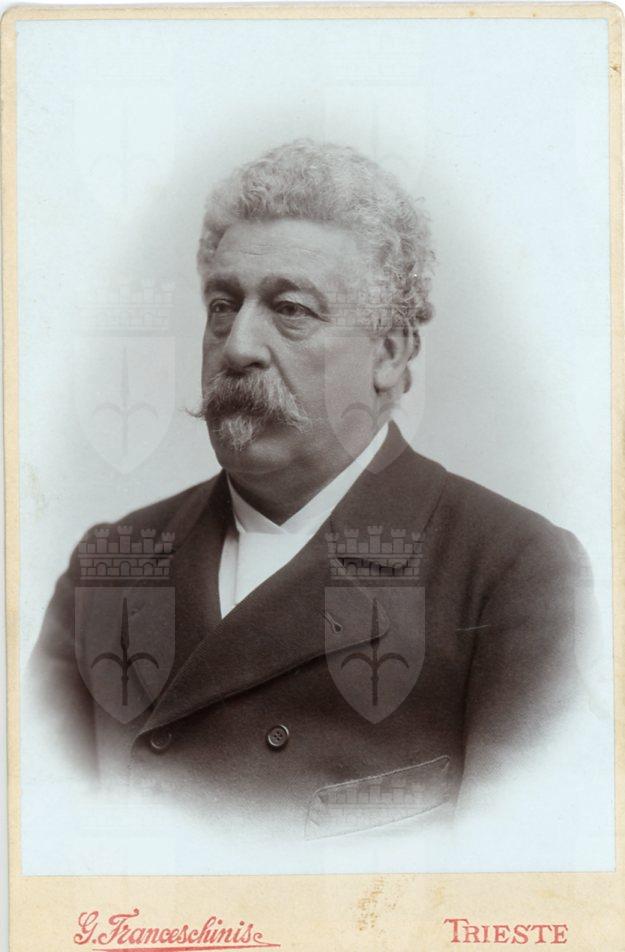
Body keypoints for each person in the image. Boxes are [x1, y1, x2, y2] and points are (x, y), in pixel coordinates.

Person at [29, 139, 594, 840]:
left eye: (290, 309)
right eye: (222, 306)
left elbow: (516, 868)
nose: (238, 346)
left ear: (388, 353)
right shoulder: (110, 566)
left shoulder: (513, 572)